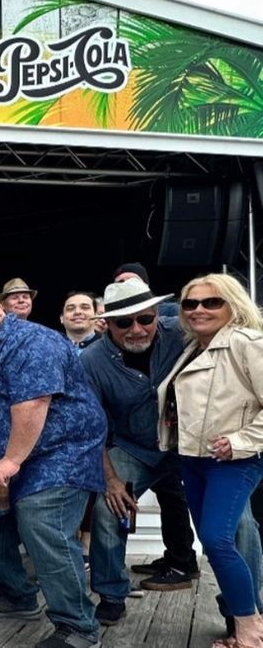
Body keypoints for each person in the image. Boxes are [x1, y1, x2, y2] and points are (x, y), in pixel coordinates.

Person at [0, 289, 104, 648]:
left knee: (41, 519)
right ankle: (17, 595)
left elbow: (33, 402)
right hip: (6, 459)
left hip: (59, 454)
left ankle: (78, 626)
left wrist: (10, 461)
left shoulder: (31, 341)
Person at [81, 278, 201, 627]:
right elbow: (92, 426)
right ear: (107, 324)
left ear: (157, 314)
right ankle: (111, 595)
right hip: (136, 448)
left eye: (145, 318)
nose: (137, 329)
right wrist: (110, 480)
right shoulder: (90, 361)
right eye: (124, 322)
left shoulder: (181, 331)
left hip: (190, 443)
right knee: (108, 508)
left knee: (235, 521)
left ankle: (244, 609)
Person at [158, 273, 263, 648]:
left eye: (211, 302)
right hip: (193, 460)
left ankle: (250, 631)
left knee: (218, 540)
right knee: (213, 542)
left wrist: (239, 441)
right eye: (190, 303)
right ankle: (241, 622)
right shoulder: (193, 347)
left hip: (232, 461)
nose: (198, 309)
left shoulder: (246, 342)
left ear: (233, 305)